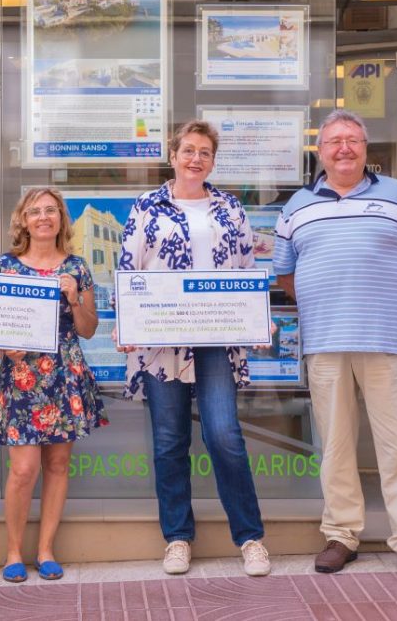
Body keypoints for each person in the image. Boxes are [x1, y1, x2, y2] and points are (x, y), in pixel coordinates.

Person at [273, 109, 397, 581]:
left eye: (352, 140)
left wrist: (396, 308)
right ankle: (342, 535)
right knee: (335, 446)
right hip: (325, 341)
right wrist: (323, 302)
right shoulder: (296, 206)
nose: (343, 148)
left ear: (366, 149)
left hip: (385, 339)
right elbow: (287, 272)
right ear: (320, 151)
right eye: (334, 141)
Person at [115, 120, 272, 577]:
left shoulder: (230, 207)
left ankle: (250, 538)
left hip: (216, 340)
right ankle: (178, 537)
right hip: (162, 340)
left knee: (224, 434)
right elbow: (129, 267)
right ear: (173, 155)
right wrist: (126, 322)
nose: (195, 158)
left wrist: (254, 320)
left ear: (212, 160)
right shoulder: (147, 206)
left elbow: (245, 271)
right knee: (169, 441)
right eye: (188, 150)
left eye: (204, 151)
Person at [0, 187, 108, 583]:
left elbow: (88, 330)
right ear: (23, 219)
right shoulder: (5, 265)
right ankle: (13, 552)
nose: (43, 217)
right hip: (22, 379)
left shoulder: (77, 267)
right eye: (35, 211)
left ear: (61, 219)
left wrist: (74, 298)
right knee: (23, 469)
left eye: (51, 211)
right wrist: (6, 347)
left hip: (64, 376)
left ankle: (46, 550)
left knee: (57, 464)